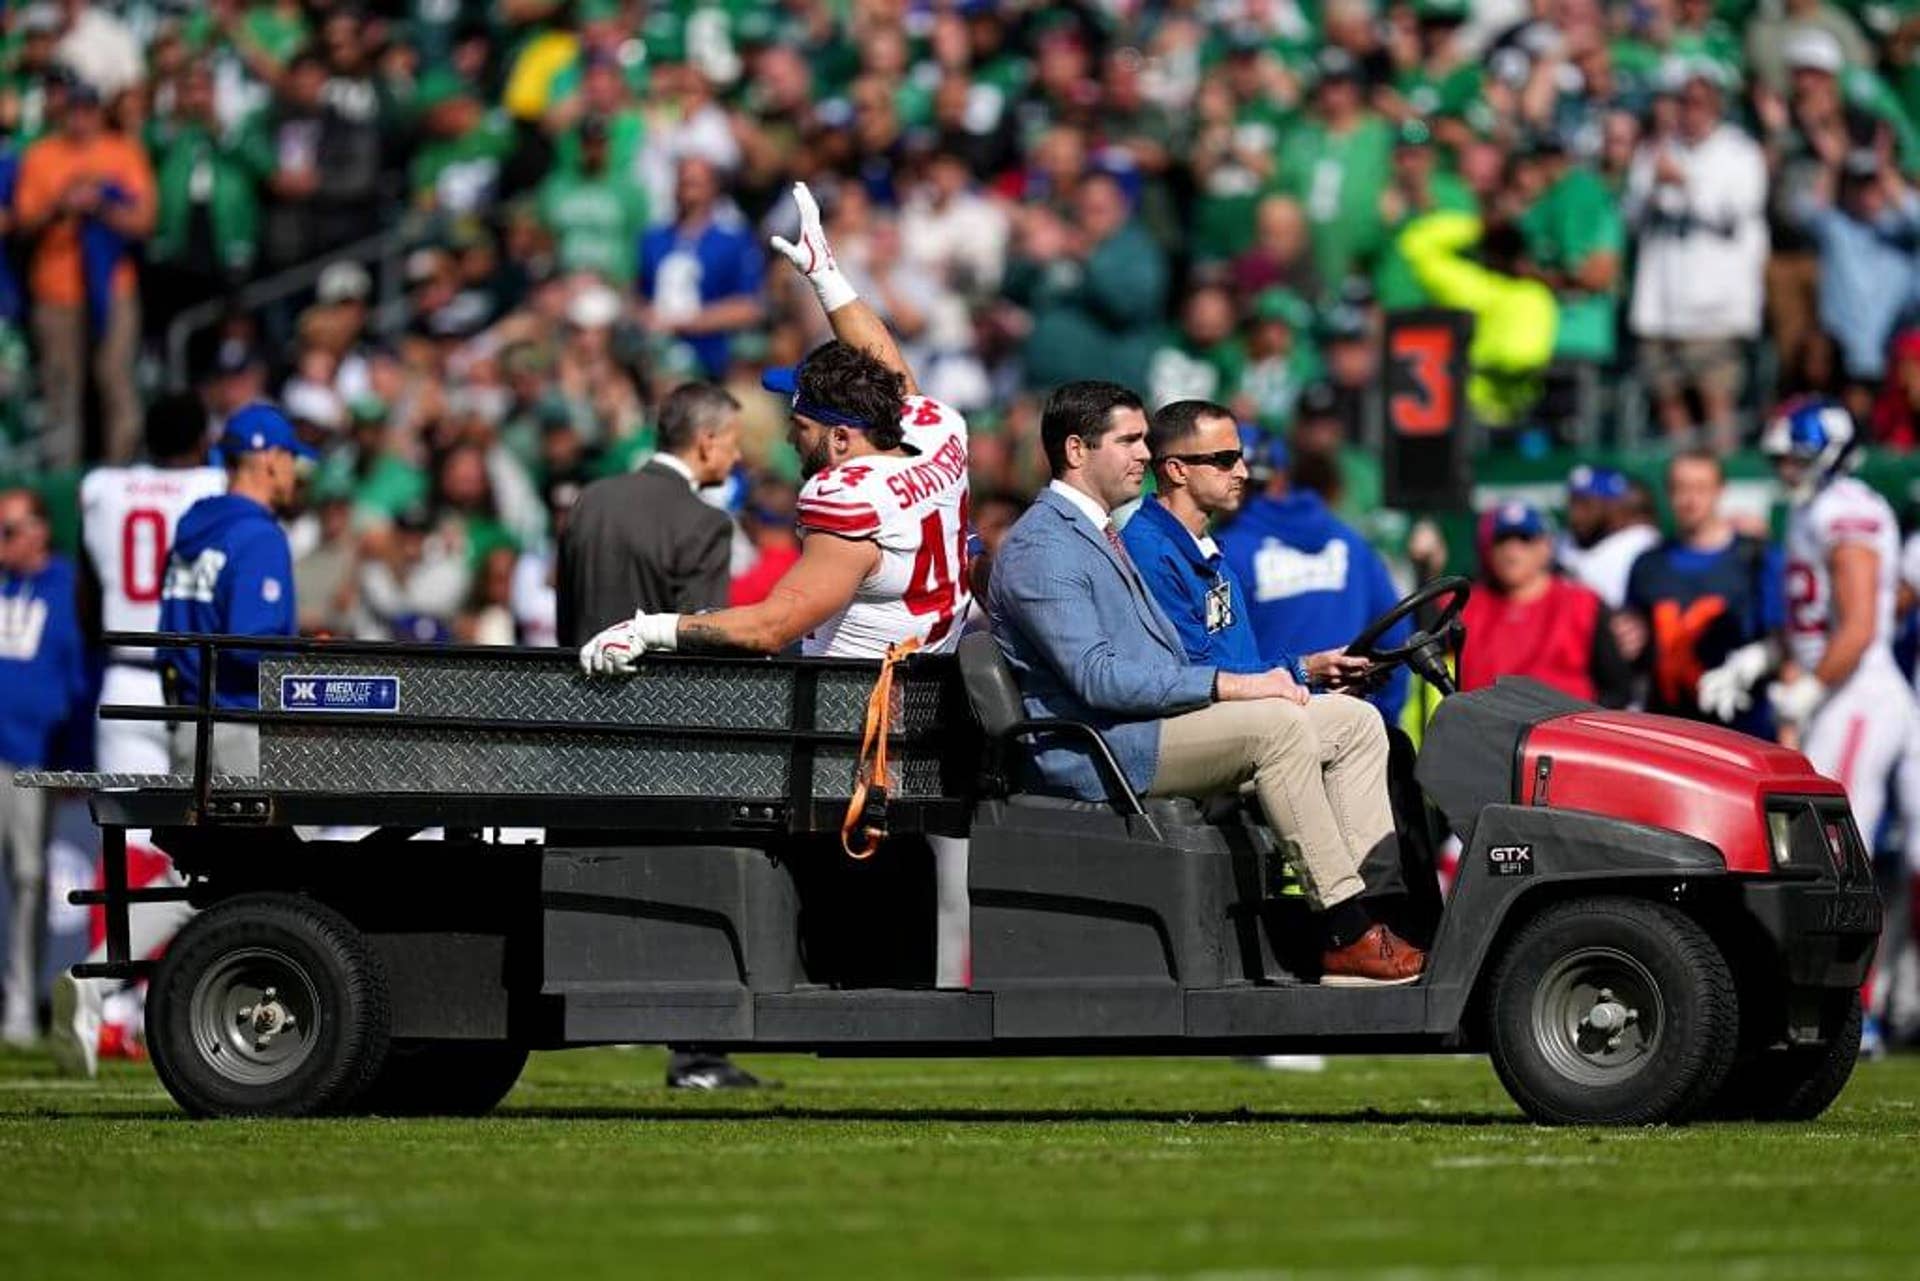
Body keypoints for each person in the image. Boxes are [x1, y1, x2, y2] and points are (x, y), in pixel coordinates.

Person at [583, 180, 974, 1038]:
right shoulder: (938, 431)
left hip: (849, 736)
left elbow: (771, 625)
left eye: (799, 423)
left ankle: (702, 1004)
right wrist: (829, 279)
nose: (787, 435)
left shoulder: (848, 494)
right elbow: (892, 368)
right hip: (922, 699)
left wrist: (655, 628)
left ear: (840, 435)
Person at [987, 380, 1424, 986]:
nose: (1145, 454)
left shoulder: (1099, 530)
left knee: (1354, 723)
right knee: (1273, 727)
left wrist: (1285, 676)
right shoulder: (1044, 546)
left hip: (1139, 727)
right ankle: (1344, 932)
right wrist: (1242, 686)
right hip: (1098, 747)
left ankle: (1378, 910)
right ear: (1076, 451)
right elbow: (1098, 679)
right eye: (1130, 440)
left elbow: (1155, 660)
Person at [50, 394, 226, 1076]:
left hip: (123, 672)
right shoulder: (215, 485)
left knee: (122, 838)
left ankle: (110, 999)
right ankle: (149, 992)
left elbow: (89, 597)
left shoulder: (101, 487)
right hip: (188, 675)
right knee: (197, 839)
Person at [1700, 398, 1913, 846]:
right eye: (1780, 459)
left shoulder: (1848, 509)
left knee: (1836, 844)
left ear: (1829, 454)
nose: (1785, 469)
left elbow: (1858, 628)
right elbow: (1810, 623)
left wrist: (1810, 688)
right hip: (1833, 691)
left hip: (1861, 694)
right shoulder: (1807, 510)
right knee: (1811, 842)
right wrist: (1756, 659)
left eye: (1795, 458)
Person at [1123, 401, 1365, 693]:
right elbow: (1198, 677)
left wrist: (1314, 680)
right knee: (1355, 721)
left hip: (1239, 714)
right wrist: (1303, 670)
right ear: (1177, 470)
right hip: (1190, 722)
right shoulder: (1149, 552)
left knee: (1363, 719)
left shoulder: (1206, 548)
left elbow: (1239, 663)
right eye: (1225, 460)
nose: (1243, 473)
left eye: (1240, 459)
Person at [156, 403, 314, 776]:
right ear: (271, 460)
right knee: (297, 836)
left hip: (188, 726)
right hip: (241, 727)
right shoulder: (259, 536)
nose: (296, 472)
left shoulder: (194, 527)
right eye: (292, 458)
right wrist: (309, 673)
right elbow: (250, 645)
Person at [12, 76, 156, 467]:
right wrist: (62, 205)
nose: (81, 120)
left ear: (98, 114)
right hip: (56, 289)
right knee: (61, 386)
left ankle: (123, 468)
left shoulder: (121, 152)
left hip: (113, 286)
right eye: (73, 111)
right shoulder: (42, 155)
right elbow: (23, 224)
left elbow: (144, 222)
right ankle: (62, 478)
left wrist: (101, 205)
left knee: (115, 378)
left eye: (88, 111)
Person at [1217, 437, 1411, 724]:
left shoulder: (1223, 553)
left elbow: (1217, 664)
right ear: (1282, 477)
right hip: (1351, 723)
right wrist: (1382, 717)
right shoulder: (1348, 539)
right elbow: (1396, 635)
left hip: (1272, 733)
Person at [1624, 63, 1767, 450]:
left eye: (1700, 102)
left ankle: (1725, 482)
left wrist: (1686, 184)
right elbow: (1631, 217)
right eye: (1683, 102)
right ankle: (1683, 478)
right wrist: (1654, 186)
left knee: (1716, 401)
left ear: (1717, 104)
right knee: (1667, 399)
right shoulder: (1656, 150)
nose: (1691, 111)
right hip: (1659, 302)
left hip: (1715, 306)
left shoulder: (1740, 152)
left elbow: (1736, 212)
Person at [0, 487, 89, 1045]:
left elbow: (79, 674)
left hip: (32, 754)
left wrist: (72, 754)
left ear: (38, 530)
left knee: (29, 879)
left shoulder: (68, 586)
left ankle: (19, 1002)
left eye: (8, 531)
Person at [556, 383, 742, 648]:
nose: (738, 455)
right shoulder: (707, 523)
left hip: (579, 681)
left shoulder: (590, 499)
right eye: (733, 443)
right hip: (658, 686)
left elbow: (566, 617)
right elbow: (702, 639)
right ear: (706, 442)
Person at [1619, 450, 1784, 730]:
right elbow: (1632, 638)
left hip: (1743, 729)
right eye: (1681, 489)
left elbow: (1785, 641)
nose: (1690, 500)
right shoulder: (1647, 563)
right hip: (1669, 727)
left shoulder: (1755, 557)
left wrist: (1757, 660)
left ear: (1721, 491)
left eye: (1701, 488)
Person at [1457, 501, 1633, 707]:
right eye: (1502, 540)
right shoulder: (1465, 606)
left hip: (1564, 732)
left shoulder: (1582, 604)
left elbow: (1618, 688)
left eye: (1524, 539)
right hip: (1484, 730)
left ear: (1545, 547)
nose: (1512, 551)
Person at [1557, 466, 1662, 610]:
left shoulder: (1640, 544)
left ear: (1612, 506)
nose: (1575, 515)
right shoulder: (1562, 542)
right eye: (1572, 503)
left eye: (1586, 505)